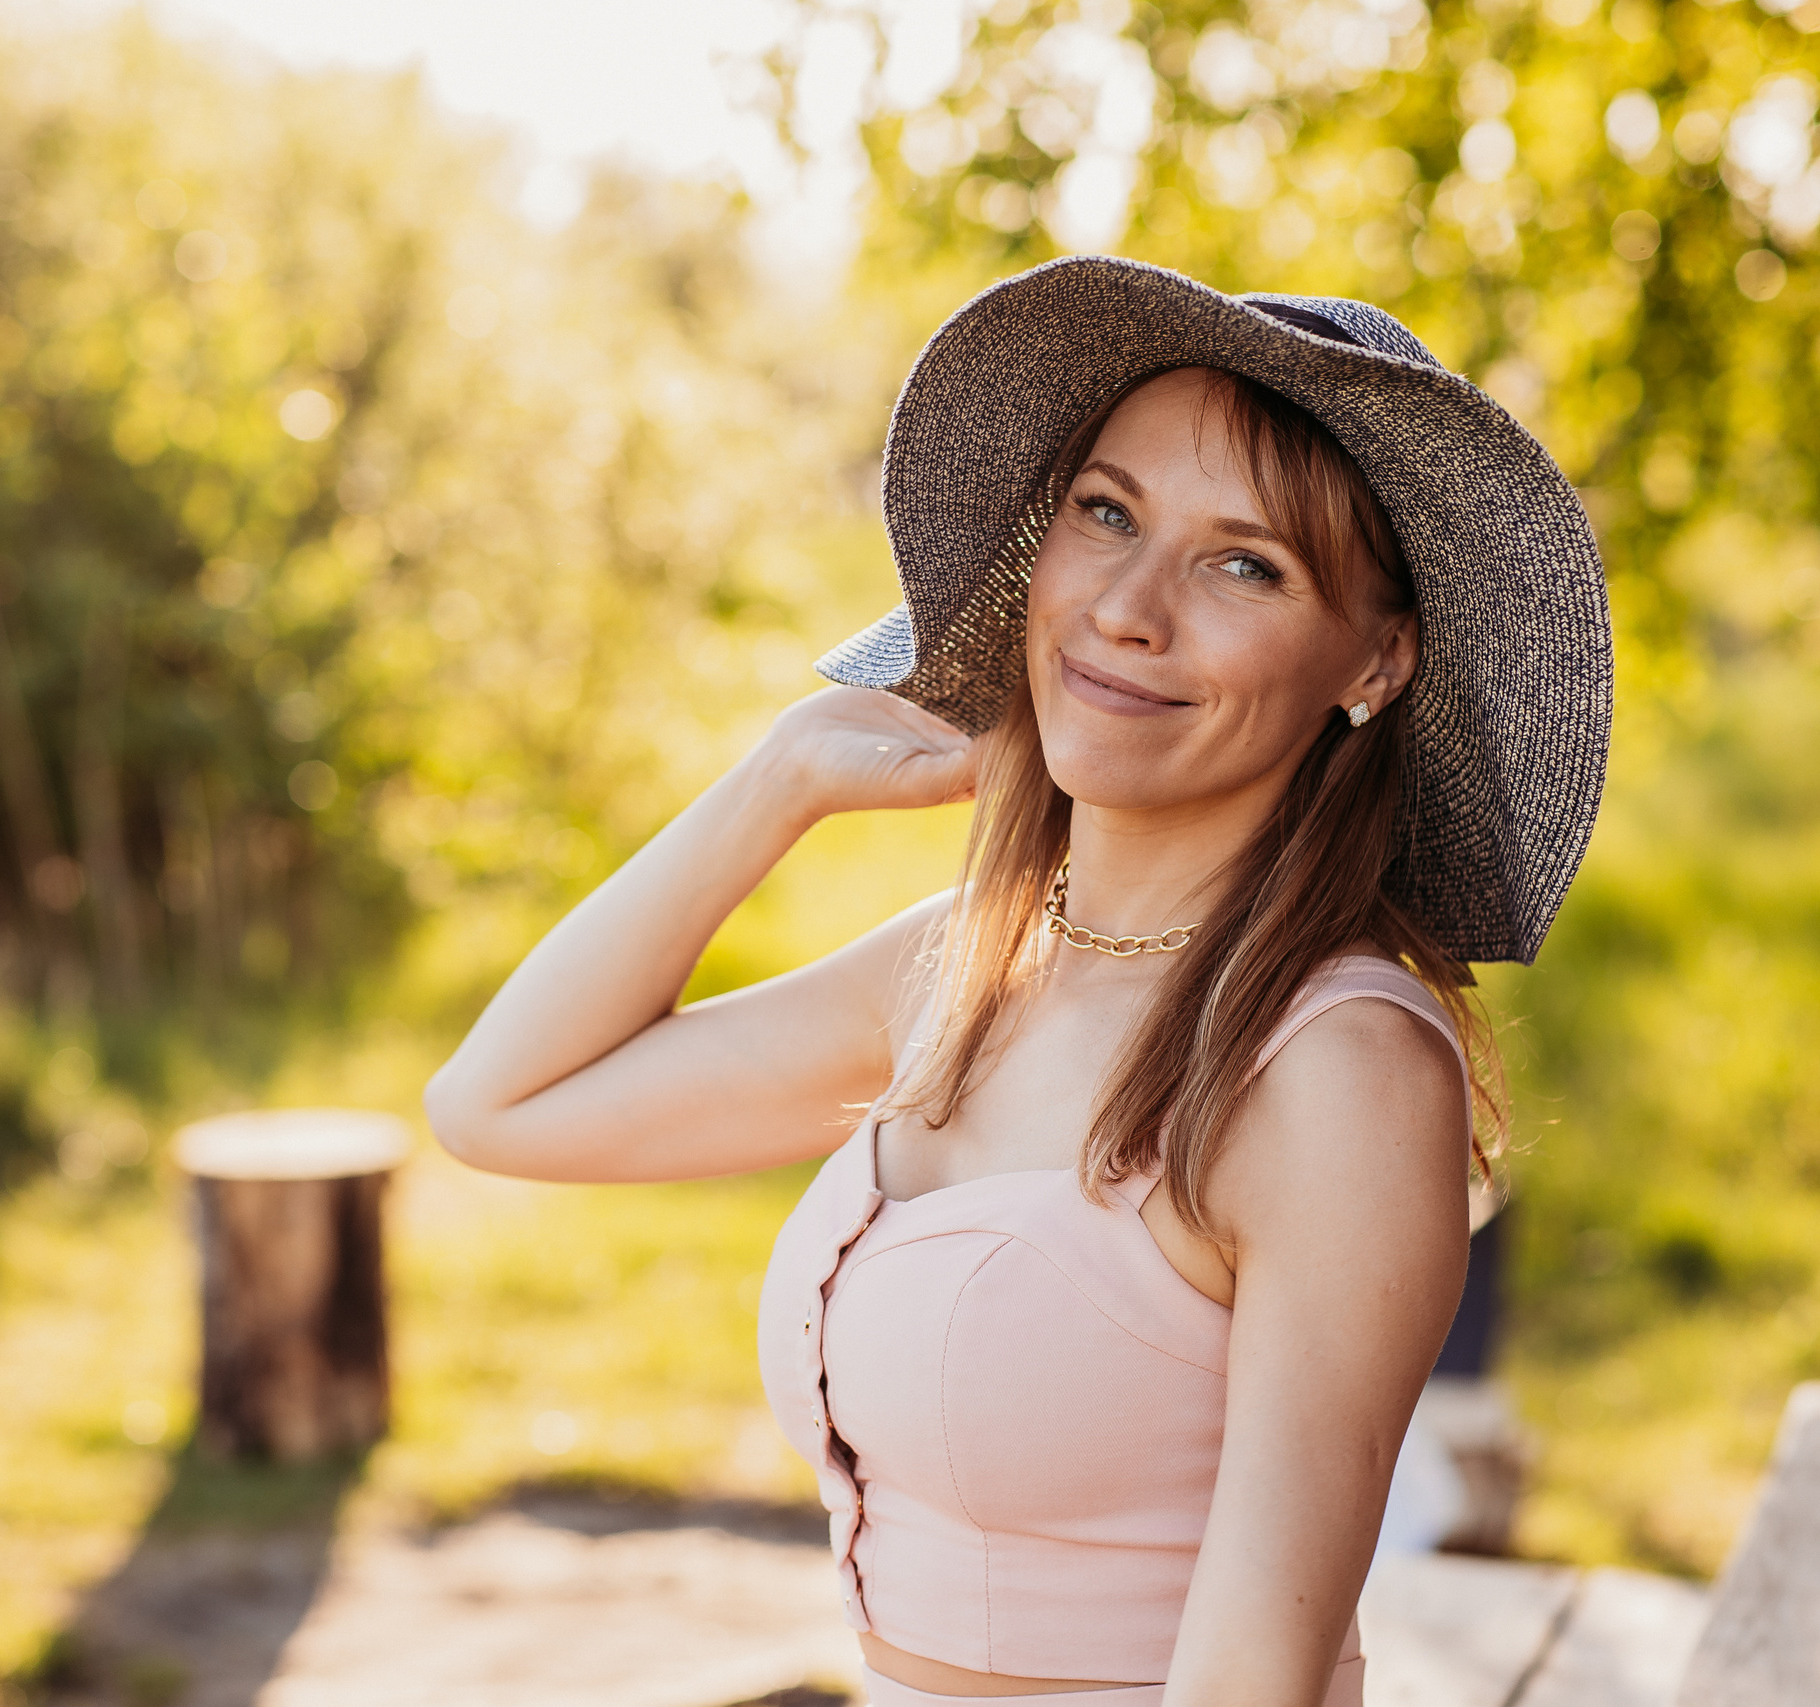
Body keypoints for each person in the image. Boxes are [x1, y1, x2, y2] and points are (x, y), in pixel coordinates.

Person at [425, 257, 1610, 1707]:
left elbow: (1254, 1679)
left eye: (1246, 564)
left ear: (1373, 660)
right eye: (1106, 513)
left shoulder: (1334, 1071)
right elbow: (499, 1107)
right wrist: (780, 778)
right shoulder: (964, 969)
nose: (1128, 608)